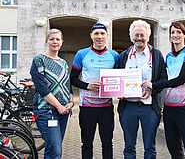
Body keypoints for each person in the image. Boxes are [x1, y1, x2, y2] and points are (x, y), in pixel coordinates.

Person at [142, 22, 185, 158]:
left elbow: (180, 80)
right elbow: (164, 79)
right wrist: (149, 87)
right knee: (174, 150)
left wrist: (154, 85)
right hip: (169, 108)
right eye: (173, 32)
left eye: (179, 32)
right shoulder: (168, 56)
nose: (175, 35)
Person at [117, 19, 168, 159]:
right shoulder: (124, 56)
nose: (139, 38)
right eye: (136, 35)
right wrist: (119, 92)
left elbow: (164, 80)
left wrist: (152, 89)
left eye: (142, 35)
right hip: (128, 107)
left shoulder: (156, 55)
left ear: (148, 36)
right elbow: (118, 78)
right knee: (128, 146)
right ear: (131, 36)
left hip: (150, 108)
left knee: (150, 147)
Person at [70, 23, 119, 159]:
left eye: (102, 34)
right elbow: (72, 78)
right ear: (91, 36)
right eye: (96, 33)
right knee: (86, 143)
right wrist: (87, 86)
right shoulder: (82, 54)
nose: (99, 36)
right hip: (87, 107)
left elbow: (119, 80)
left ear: (107, 36)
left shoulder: (114, 55)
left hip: (107, 107)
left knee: (108, 143)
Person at [30, 28, 74, 159]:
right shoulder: (39, 60)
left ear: (61, 42)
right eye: (51, 39)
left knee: (54, 149)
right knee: (55, 150)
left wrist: (71, 102)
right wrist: (59, 106)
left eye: (57, 39)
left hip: (63, 113)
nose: (55, 42)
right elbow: (42, 88)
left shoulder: (64, 63)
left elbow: (68, 86)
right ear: (46, 41)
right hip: (46, 112)